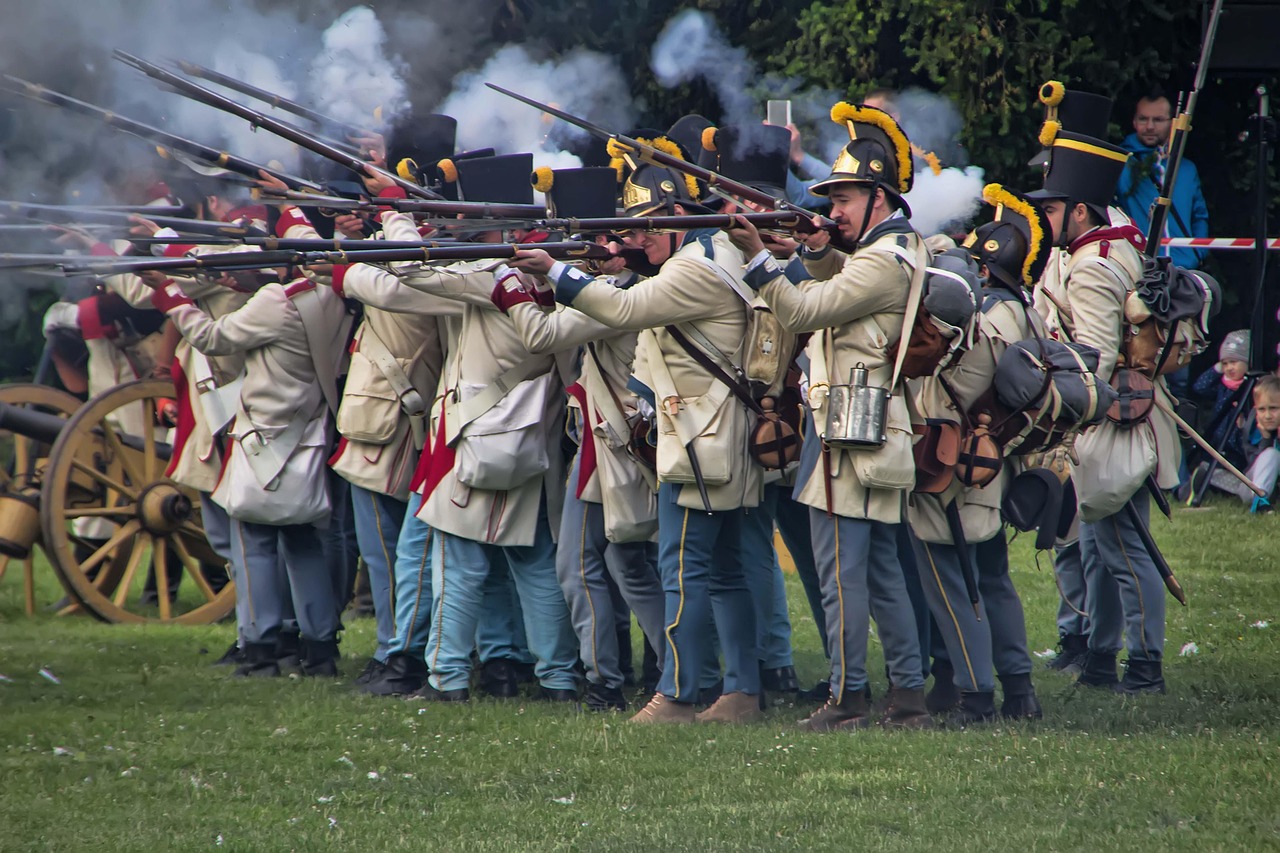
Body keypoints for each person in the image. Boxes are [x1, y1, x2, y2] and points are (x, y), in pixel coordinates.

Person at [513, 137, 766, 725]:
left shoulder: (694, 268)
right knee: (723, 571)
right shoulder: (707, 255)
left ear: (680, 216)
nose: (638, 239)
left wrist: (556, 271)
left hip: (701, 442)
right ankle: (740, 693)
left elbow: (627, 311)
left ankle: (677, 695)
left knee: (682, 569)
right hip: (708, 438)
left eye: (648, 226)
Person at [724, 102, 932, 731]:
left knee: (841, 571)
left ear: (878, 196)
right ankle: (908, 696)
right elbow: (829, 291)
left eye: (844, 199)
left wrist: (761, 258)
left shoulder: (882, 258)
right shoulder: (883, 249)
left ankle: (848, 699)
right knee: (880, 570)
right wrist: (815, 250)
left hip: (850, 424)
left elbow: (806, 313)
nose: (833, 210)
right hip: (857, 421)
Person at [1029, 127, 1181, 695]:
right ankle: (1099, 658)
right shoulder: (1118, 235)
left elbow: (1091, 355)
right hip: (1123, 411)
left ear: (1080, 209)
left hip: (1112, 415)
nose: (1044, 217)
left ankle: (1144, 666)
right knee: (1099, 546)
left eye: (1052, 208)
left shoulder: (1092, 264)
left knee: (1121, 549)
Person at [907, 184, 1054, 724]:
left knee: (952, 586)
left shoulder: (976, 317)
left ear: (985, 272)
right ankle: (1019, 691)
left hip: (951, 466)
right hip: (993, 464)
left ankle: (974, 695)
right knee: (992, 581)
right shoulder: (1023, 310)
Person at [1115, 87, 1210, 271]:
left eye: (1158, 120)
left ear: (1172, 123)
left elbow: (1200, 216)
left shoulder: (1187, 169)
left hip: (1185, 269)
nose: (1150, 126)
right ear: (1134, 122)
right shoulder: (1121, 164)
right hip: (1139, 268)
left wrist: (1197, 253)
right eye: (1143, 119)